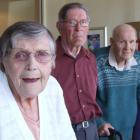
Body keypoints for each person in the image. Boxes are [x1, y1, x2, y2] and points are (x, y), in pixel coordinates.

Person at [0, 21, 76, 140]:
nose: (32, 65)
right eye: (20, 55)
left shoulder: (52, 87)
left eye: (41, 54)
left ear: (53, 61)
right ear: (4, 61)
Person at [52, 2, 102, 140]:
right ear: (59, 26)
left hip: (92, 130)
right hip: (61, 132)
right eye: (73, 23)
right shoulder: (47, 58)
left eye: (84, 22)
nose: (79, 28)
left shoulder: (90, 58)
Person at [93, 24, 140, 140]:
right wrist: (99, 123)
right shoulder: (95, 60)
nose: (128, 47)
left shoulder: (139, 60)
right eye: (122, 42)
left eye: (132, 41)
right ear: (112, 42)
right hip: (104, 132)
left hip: (129, 130)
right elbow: (85, 98)